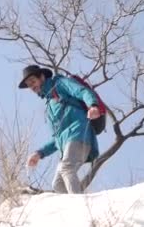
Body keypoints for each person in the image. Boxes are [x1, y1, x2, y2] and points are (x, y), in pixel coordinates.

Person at [19, 65, 101, 194]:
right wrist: (39, 153)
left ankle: (80, 207)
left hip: (79, 134)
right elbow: (58, 138)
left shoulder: (60, 84)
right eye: (29, 85)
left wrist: (93, 105)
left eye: (33, 81)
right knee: (58, 184)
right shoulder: (50, 104)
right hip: (68, 143)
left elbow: (82, 91)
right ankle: (81, 204)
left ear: (42, 77)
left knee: (66, 168)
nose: (32, 87)